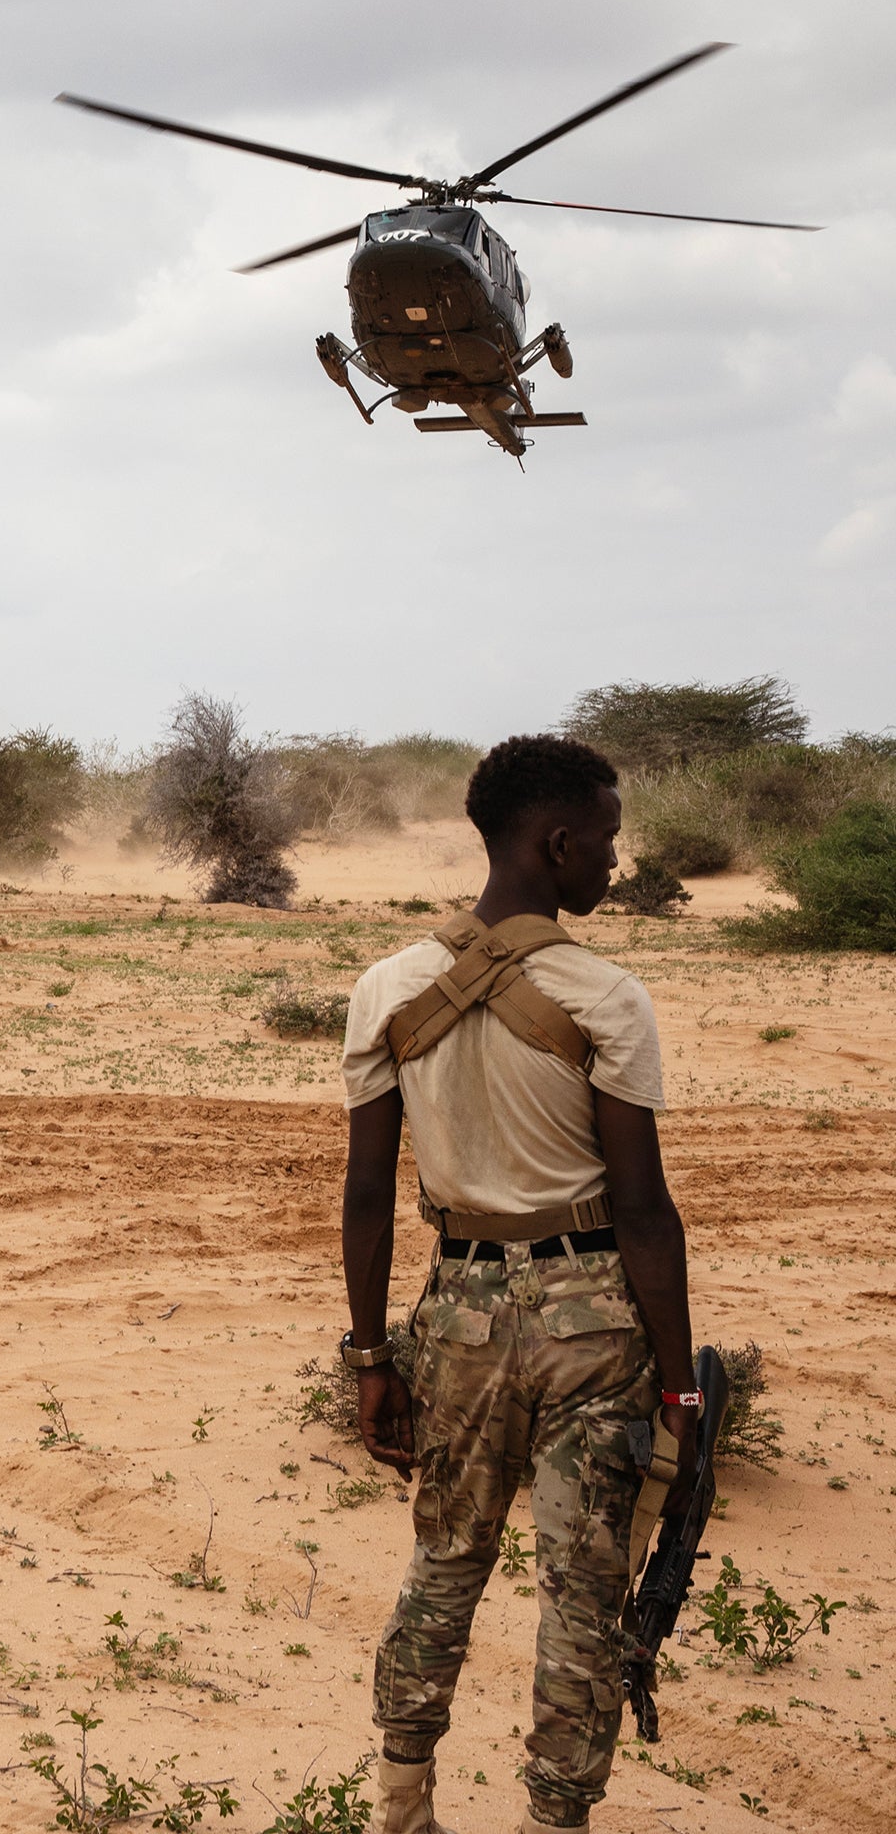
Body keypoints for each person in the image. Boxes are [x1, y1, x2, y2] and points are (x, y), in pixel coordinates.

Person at [337, 734, 701, 1834]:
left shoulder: (389, 986)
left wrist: (369, 1357)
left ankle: (402, 1804)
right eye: (605, 840)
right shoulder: (606, 994)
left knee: (445, 1557)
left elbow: (363, 1195)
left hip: (456, 1312)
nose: (611, 862)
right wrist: (681, 1388)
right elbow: (642, 1209)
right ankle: (553, 1819)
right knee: (584, 1592)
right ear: (556, 841)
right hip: (591, 1317)